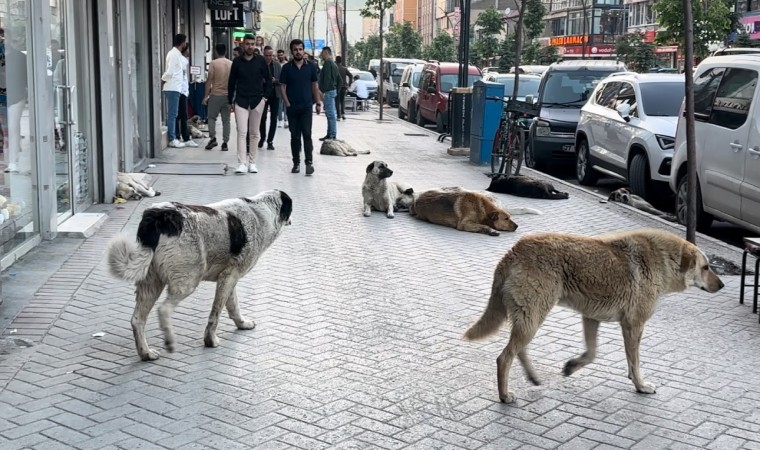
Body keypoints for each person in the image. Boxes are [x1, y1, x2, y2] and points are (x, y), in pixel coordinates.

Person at [227, 34, 270, 174]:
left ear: (255, 45)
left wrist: (265, 98)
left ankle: (252, 162)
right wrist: (230, 101)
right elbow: (231, 82)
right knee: (241, 132)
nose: (250, 46)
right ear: (243, 45)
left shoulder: (261, 61)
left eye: (252, 44)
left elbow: (268, 80)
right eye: (247, 44)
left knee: (254, 133)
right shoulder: (237, 62)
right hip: (241, 101)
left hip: (257, 101)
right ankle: (242, 163)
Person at [279, 39, 322, 175]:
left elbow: (314, 85)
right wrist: (287, 103)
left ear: (304, 51)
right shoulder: (286, 68)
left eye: (300, 49)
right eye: (295, 49)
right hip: (292, 107)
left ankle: (309, 162)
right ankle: (296, 163)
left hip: (306, 106)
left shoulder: (310, 67)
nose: (298, 52)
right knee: (295, 136)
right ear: (291, 51)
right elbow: (282, 86)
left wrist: (318, 102)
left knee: (307, 134)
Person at [202, 43, 232, 151]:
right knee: (226, 120)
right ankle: (225, 143)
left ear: (215, 51)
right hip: (227, 96)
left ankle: (213, 138)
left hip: (215, 95)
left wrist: (206, 96)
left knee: (211, 118)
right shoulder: (231, 63)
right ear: (226, 52)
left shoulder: (213, 63)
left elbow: (209, 80)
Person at [162, 33, 189, 148]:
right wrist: (162, 80)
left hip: (176, 87)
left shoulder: (176, 54)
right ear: (182, 43)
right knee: (173, 114)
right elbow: (170, 71)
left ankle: (174, 137)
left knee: (174, 113)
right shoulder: (174, 55)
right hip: (172, 87)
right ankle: (172, 138)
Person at [258, 46, 281, 151]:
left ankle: (270, 141)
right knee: (262, 118)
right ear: (263, 54)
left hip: (275, 95)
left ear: (273, 55)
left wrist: (274, 80)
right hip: (262, 95)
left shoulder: (277, 66)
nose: (268, 57)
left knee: (274, 119)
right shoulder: (259, 65)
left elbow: (282, 80)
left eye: (270, 55)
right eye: (266, 55)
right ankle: (262, 137)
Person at [176, 46, 198, 147]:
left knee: (180, 114)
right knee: (182, 115)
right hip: (181, 90)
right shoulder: (182, 60)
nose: (189, 51)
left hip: (182, 90)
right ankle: (184, 137)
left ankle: (179, 135)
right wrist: (184, 90)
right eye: (188, 49)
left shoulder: (182, 60)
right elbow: (182, 77)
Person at [318, 46, 341, 141]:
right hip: (332, 90)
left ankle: (331, 134)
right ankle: (330, 133)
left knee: (330, 114)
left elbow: (327, 79)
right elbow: (340, 80)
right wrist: (336, 90)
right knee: (330, 113)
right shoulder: (334, 64)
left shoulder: (327, 63)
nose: (321, 55)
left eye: (322, 53)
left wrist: (322, 90)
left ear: (326, 53)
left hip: (328, 91)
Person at [336, 55, 351, 121]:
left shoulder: (335, 68)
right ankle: (343, 114)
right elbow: (350, 75)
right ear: (341, 61)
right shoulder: (344, 69)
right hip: (344, 87)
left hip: (336, 87)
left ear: (336, 61)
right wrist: (349, 84)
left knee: (337, 101)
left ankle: (338, 116)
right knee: (342, 101)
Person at [276, 49, 288, 128]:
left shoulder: (287, 64)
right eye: (279, 55)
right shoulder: (276, 64)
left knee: (286, 103)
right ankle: (280, 120)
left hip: (287, 86)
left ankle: (286, 120)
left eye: (281, 55)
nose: (280, 56)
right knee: (279, 104)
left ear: (284, 55)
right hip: (278, 86)